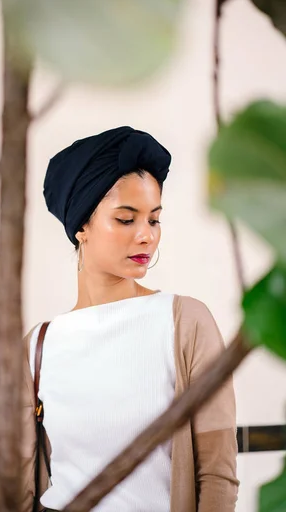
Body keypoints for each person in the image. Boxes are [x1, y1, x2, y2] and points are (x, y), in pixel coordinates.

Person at [21, 126, 239, 512]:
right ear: (81, 226)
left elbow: (218, 476)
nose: (146, 237)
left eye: (153, 220)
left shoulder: (184, 323)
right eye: (126, 219)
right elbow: (21, 488)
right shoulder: (39, 346)